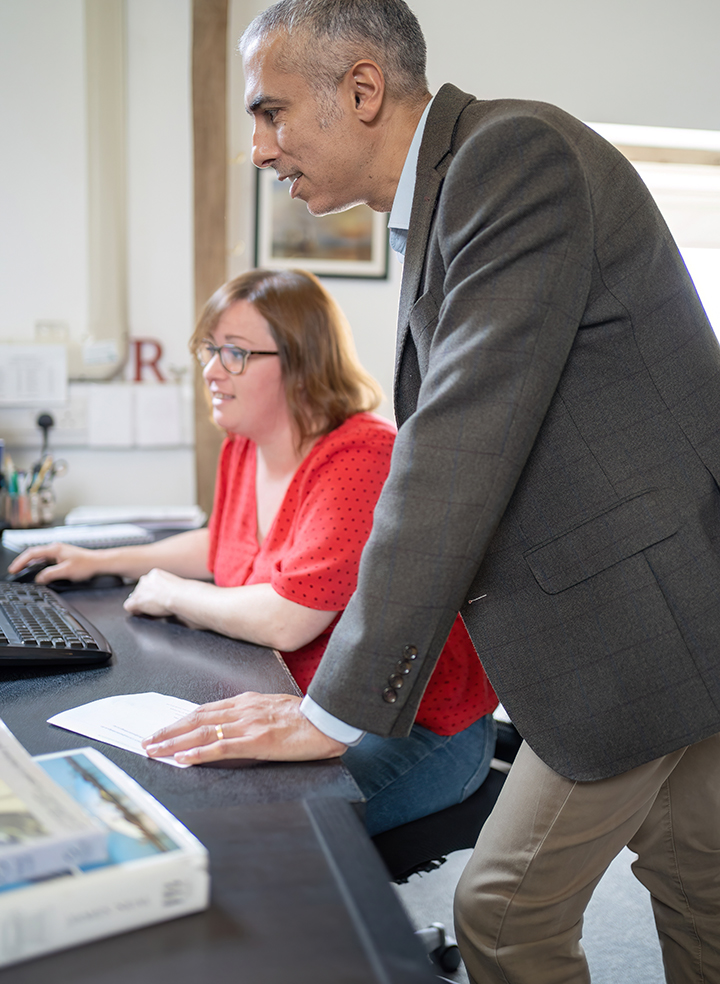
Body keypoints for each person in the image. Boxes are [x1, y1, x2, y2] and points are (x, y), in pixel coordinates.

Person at [136, 0, 720, 983]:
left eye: (271, 112)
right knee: (697, 880)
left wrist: (332, 712)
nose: (261, 146)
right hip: (646, 614)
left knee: (503, 911)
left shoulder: (511, 156)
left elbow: (455, 445)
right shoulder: (446, 197)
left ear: (361, 90)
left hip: (636, 625)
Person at [9, 267, 498, 837]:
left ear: (302, 362)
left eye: (235, 353)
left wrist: (172, 593)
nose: (212, 371)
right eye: (209, 351)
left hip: (413, 728)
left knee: (265, 826)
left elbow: (290, 618)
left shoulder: (361, 457)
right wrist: (106, 559)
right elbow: (227, 544)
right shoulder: (246, 444)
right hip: (304, 704)